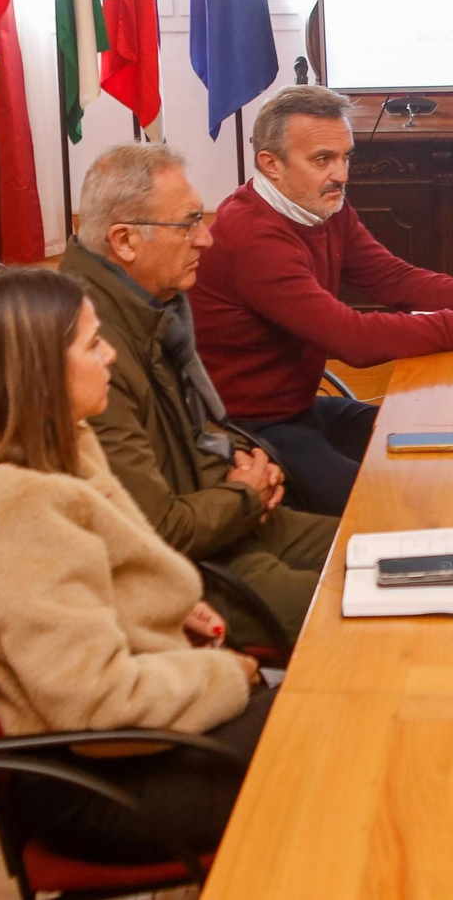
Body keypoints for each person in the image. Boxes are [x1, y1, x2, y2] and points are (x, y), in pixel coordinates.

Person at [0, 268, 272, 863]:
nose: (109, 353)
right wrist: (229, 676)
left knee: (333, 712)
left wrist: (167, 610)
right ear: (38, 373)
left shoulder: (53, 449)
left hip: (128, 749)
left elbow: (99, 578)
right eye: (90, 344)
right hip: (102, 789)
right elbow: (100, 708)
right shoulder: (16, 511)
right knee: (331, 740)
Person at [190, 85, 453, 517]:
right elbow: (353, 340)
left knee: (452, 451)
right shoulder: (251, 237)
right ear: (271, 164)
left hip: (301, 410)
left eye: (346, 157)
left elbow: (391, 278)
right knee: (388, 507)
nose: (341, 174)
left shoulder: (321, 204)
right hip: (252, 429)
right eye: (323, 159)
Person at [61, 145, 337, 644]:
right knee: (372, 605)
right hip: (198, 570)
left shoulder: (154, 304)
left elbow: (195, 427)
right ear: (124, 241)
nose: (206, 239)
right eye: (188, 224)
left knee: (393, 551)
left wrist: (250, 459)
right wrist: (244, 494)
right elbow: (157, 531)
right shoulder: (89, 350)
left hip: (233, 522)